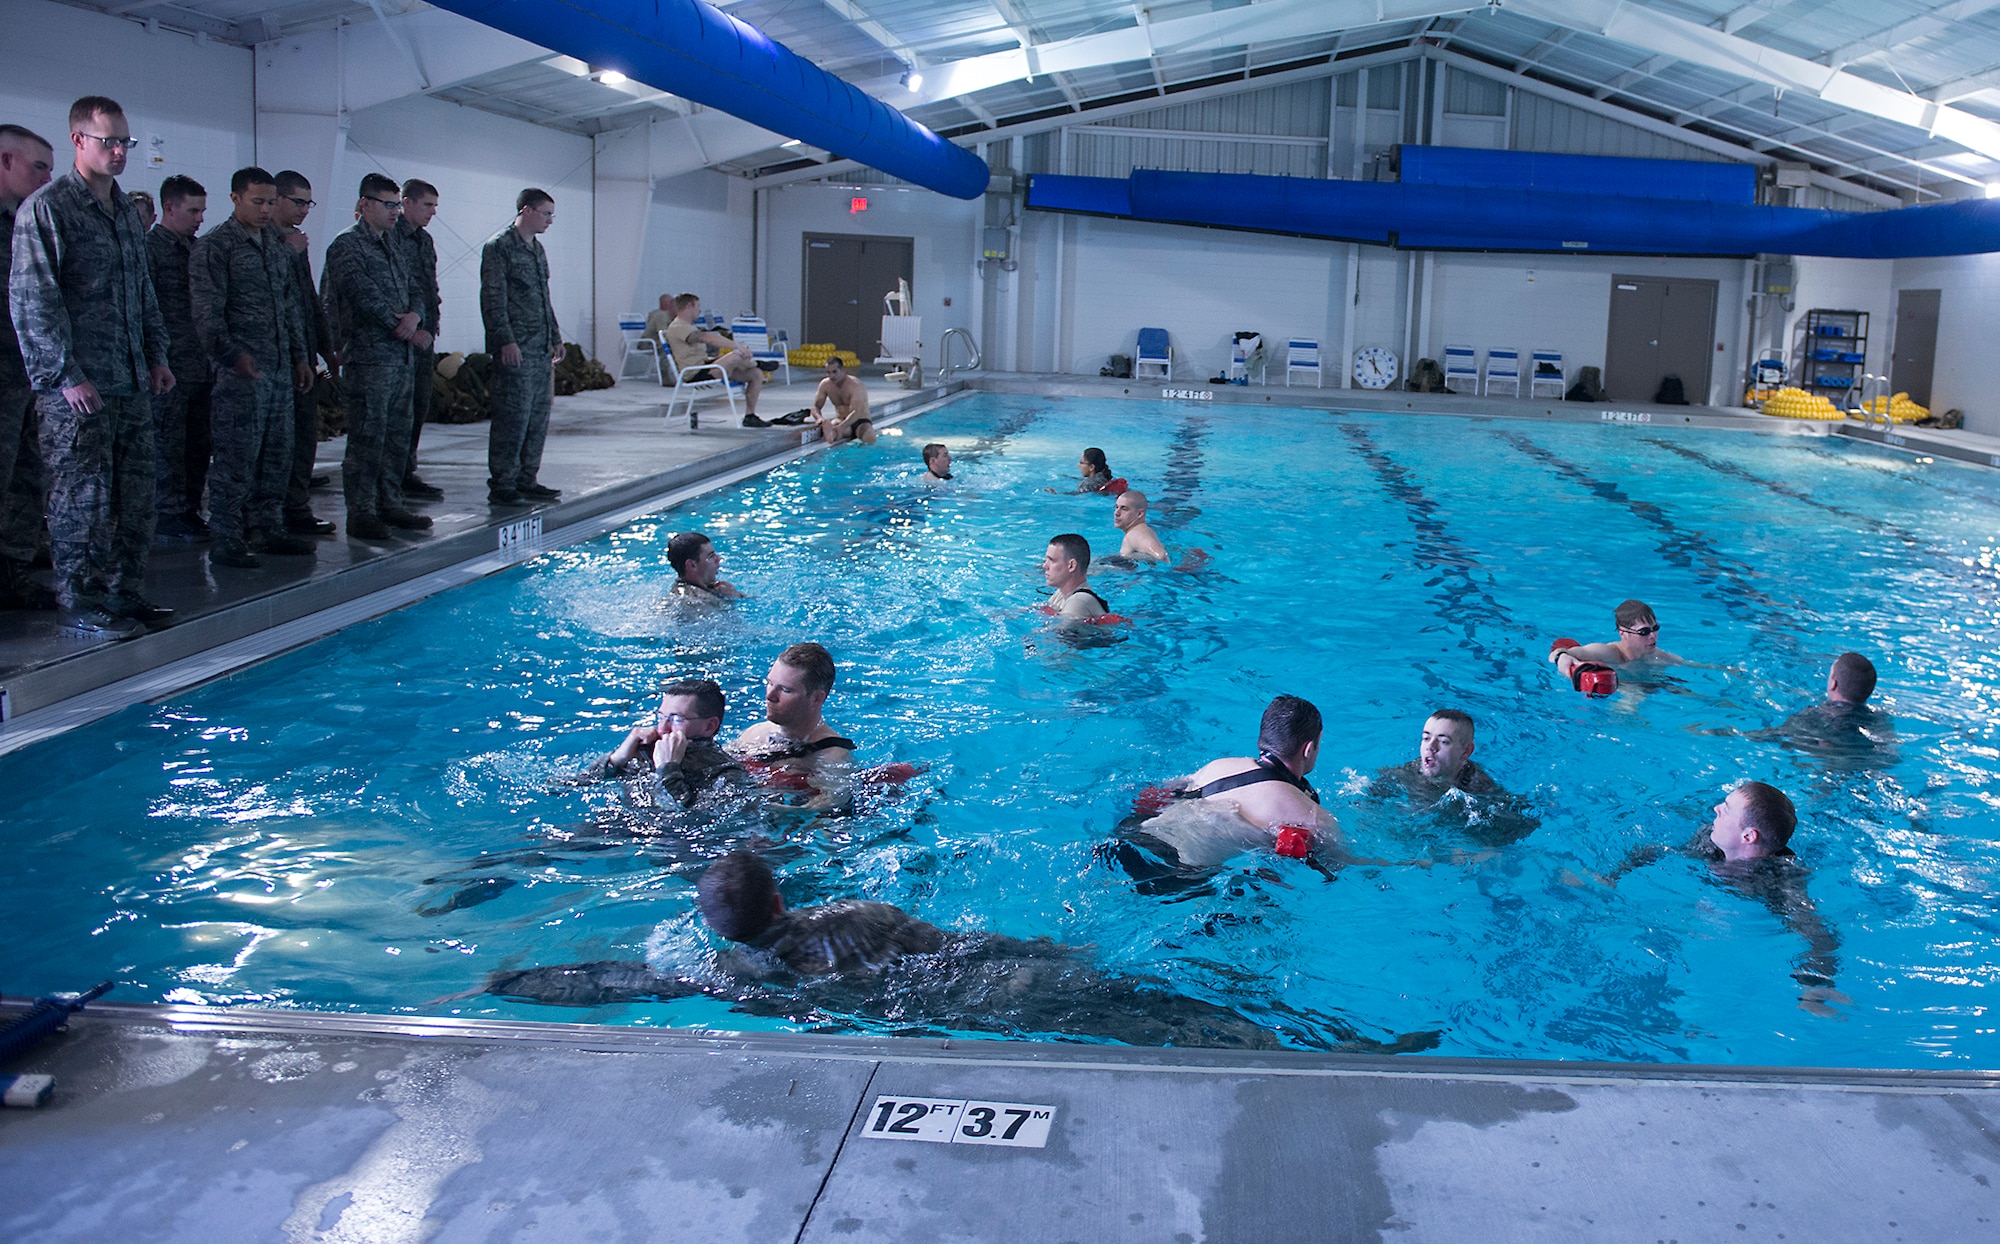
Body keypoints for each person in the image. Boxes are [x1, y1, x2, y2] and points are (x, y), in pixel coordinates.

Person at [477, 850, 1438, 1053]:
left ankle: (1320, 1050)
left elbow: (617, 984)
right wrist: (1043, 944)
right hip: (1000, 986)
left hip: (939, 1017)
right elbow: (962, 942)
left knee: (1151, 1024)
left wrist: (514, 982)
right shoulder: (850, 912)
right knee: (1160, 1003)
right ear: (780, 895)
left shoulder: (729, 975)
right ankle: (1336, 1046)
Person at [11, 97, 176, 639]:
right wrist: (64, 374)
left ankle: (125, 592)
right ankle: (80, 598)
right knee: (81, 496)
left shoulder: (125, 211)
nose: (120, 151)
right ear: (78, 140)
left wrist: (156, 356)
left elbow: (142, 291)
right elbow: (33, 300)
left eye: (125, 141)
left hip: (129, 379)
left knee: (135, 495)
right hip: (78, 388)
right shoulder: (48, 208)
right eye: (108, 141)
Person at [190, 166, 313, 569]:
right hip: (238, 375)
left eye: (270, 202)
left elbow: (290, 307)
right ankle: (227, 534)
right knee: (236, 458)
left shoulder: (277, 250)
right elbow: (207, 316)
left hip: (278, 370)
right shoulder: (215, 248)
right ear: (235, 199)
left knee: (277, 454)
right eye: (257, 202)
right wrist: (232, 357)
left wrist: (299, 357)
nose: (265, 210)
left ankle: (268, 527)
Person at [322, 172, 432, 542]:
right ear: (365, 204)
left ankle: (390, 502)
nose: (396, 212)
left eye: (398, 205)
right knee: (367, 440)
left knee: (397, 437)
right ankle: (362, 512)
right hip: (369, 359)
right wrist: (399, 326)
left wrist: (415, 317)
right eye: (389, 205)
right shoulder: (346, 246)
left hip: (400, 359)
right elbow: (362, 295)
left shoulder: (395, 244)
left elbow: (416, 287)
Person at [0, 123, 56, 611]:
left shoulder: (26, 226)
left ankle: (12, 574)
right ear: (6, 161)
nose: (46, 179)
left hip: (25, 378)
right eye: (39, 167)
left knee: (25, 478)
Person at [480, 188, 563, 505]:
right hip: (515, 347)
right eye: (546, 213)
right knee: (512, 417)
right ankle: (503, 483)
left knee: (537, 416)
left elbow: (544, 298)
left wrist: (554, 336)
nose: (550, 220)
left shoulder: (537, 250)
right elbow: (493, 299)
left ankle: (527, 478)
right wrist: (505, 340)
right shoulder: (499, 247)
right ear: (526, 211)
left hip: (539, 348)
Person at [273, 170, 339, 538]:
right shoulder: (265, 242)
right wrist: (287, 251)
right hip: (273, 358)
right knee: (275, 444)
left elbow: (308, 300)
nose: (304, 210)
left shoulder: (296, 242)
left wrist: (324, 347)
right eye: (297, 202)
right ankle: (268, 516)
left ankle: (296, 506)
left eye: (308, 203)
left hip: (301, 354)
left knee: (303, 436)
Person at [146, 174, 211, 543]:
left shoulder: (199, 250)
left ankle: (189, 508)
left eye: (202, 210)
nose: (200, 218)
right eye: (193, 210)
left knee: (198, 444)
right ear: (169, 208)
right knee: (167, 443)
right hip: (169, 365)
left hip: (201, 363)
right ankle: (167, 513)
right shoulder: (150, 251)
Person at [597, 677, 748, 809]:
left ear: (710, 726)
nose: (662, 728)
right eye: (661, 717)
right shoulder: (646, 752)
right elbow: (578, 783)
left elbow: (695, 819)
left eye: (676, 719)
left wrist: (668, 769)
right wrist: (616, 761)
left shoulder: (726, 773)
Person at [728, 643, 855, 794]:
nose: (770, 696)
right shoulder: (755, 734)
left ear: (816, 698)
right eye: (770, 683)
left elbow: (823, 810)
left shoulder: (832, 758)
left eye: (785, 690)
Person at [395, 177, 443, 500]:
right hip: (400, 340)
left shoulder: (424, 240)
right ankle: (392, 475)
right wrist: (412, 326)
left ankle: (406, 470)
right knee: (398, 411)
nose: (432, 213)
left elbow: (429, 287)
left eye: (435, 207)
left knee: (419, 405)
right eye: (427, 205)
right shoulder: (391, 238)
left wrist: (431, 320)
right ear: (407, 202)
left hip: (425, 337)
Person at [662, 293, 761, 428]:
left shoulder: (689, 326)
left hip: (706, 366)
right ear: (689, 306)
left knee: (756, 374)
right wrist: (736, 346)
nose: (699, 310)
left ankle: (750, 416)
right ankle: (758, 362)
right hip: (695, 373)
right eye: (698, 306)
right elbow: (707, 338)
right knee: (736, 356)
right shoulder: (678, 326)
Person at [1372, 709, 1504, 800]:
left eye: (1443, 741)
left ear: (1466, 751)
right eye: (1426, 738)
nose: (1430, 747)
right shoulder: (1407, 773)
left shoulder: (1479, 788)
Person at [1549, 599, 1685, 681]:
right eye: (1644, 632)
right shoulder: (1608, 652)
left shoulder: (1655, 655)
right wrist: (1560, 657)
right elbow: (1560, 654)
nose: (1653, 635)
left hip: (1649, 682)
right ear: (1623, 633)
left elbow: (1690, 665)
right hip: (1624, 689)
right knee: (1631, 701)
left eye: (1655, 628)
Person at [1041, 532, 1108, 621]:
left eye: (1052, 560)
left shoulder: (1078, 601)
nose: (1045, 566)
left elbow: (1057, 633)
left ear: (1071, 566)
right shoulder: (1061, 594)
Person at [666, 530, 741, 604]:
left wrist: (733, 595)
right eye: (711, 556)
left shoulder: (704, 590)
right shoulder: (696, 601)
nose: (718, 559)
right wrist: (729, 602)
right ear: (692, 565)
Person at [810, 357, 871, 445]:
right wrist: (819, 418)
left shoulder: (855, 385)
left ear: (842, 370)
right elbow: (816, 407)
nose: (831, 376)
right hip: (841, 420)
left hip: (860, 421)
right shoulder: (825, 384)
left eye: (834, 372)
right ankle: (832, 433)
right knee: (835, 424)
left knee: (869, 437)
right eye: (828, 372)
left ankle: (837, 432)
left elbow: (856, 412)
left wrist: (842, 427)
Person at [1111, 489, 1167, 563]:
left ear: (1140, 514)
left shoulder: (1135, 534)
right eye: (1116, 507)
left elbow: (1161, 556)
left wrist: (1129, 557)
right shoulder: (1144, 530)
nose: (1116, 513)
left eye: (1124, 509)